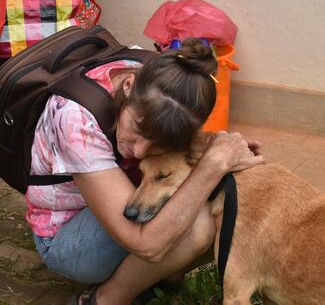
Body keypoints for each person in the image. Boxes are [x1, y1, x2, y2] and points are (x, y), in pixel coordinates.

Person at [26, 38, 264, 305]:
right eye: (138, 130)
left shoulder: (164, 81)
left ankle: (162, 276)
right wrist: (214, 163)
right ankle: (106, 298)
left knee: (214, 195)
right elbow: (146, 244)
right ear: (128, 86)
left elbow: (186, 155)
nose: (139, 152)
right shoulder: (75, 119)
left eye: (159, 143)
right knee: (199, 220)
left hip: (116, 200)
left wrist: (218, 146)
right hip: (66, 239)